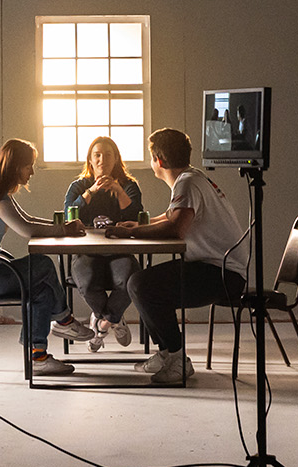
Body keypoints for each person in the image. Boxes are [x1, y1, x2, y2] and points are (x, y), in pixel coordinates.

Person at [106, 128, 248, 384]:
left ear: (158, 160)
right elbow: (173, 215)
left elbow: (176, 227)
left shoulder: (187, 182)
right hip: (219, 269)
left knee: (141, 284)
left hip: (223, 274)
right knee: (140, 283)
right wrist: (137, 227)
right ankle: (166, 353)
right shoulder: (193, 177)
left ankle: (178, 359)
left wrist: (130, 235)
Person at [0, 139, 101, 377]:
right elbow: (26, 230)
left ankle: (38, 358)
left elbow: (29, 220)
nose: (32, 171)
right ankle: (64, 321)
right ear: (14, 166)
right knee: (42, 263)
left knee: (40, 289)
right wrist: (64, 230)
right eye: (28, 166)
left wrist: (62, 225)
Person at [61, 136, 145, 352]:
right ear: (90, 159)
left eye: (108, 155)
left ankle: (103, 323)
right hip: (86, 251)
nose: (102, 160)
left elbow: (136, 215)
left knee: (130, 280)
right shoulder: (78, 186)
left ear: (116, 159)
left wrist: (118, 190)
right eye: (97, 155)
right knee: (87, 284)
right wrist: (91, 192)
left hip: (120, 251)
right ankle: (114, 318)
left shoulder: (129, 186)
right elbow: (69, 214)